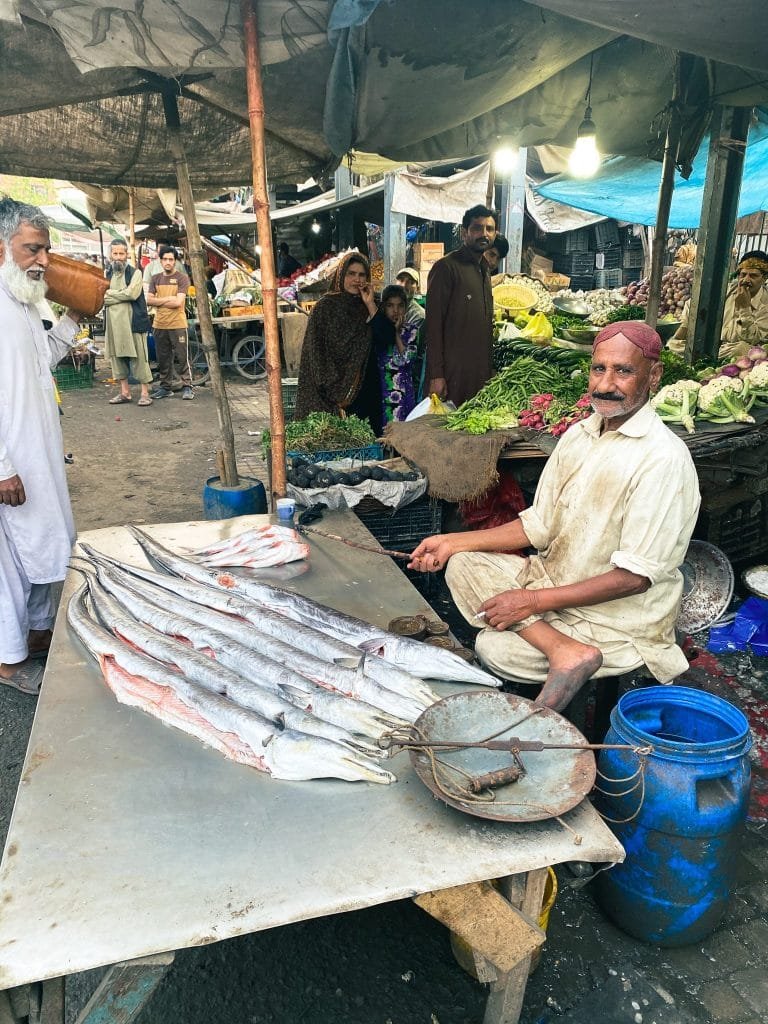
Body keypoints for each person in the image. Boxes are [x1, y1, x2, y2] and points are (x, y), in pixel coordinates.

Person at [410, 321, 700, 712]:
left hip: (617, 618)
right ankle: (562, 648)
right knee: (462, 564)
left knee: (495, 647)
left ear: (655, 375)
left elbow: (634, 577)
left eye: (624, 371)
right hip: (554, 583)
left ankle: (563, 647)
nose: (605, 384)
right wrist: (451, 542)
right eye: (599, 369)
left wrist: (530, 601)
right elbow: (538, 525)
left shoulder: (663, 459)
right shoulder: (579, 435)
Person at [0, 199, 84, 694]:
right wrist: (2, 466)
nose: (44, 261)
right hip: (10, 461)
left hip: (38, 454)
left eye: (46, 250)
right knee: (7, 564)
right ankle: (8, 662)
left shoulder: (25, 300)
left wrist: (72, 318)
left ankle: (32, 638)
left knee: (41, 548)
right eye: (34, 249)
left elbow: (40, 362)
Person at [294, 252, 384, 434]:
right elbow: (315, 350)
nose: (356, 279)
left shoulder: (372, 304)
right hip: (328, 391)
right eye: (351, 274)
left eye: (361, 275)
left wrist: (370, 305)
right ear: (341, 275)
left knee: (364, 444)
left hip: (364, 389)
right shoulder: (325, 307)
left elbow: (385, 338)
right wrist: (331, 385)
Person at [425, 204, 496, 406]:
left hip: (478, 374)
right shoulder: (446, 267)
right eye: (477, 228)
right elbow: (433, 325)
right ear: (465, 232)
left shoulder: (485, 269)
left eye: (489, 229)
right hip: (451, 375)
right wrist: (436, 375)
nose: (484, 234)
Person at [669, 251, 768, 360]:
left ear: (764, 278)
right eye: (743, 274)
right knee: (672, 345)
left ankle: (704, 359)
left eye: (753, 276)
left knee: (742, 349)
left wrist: (744, 309)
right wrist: (679, 335)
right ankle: (703, 357)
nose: (746, 280)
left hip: (734, 349)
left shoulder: (765, 304)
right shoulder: (726, 290)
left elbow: (752, 339)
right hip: (711, 345)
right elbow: (694, 305)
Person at [104, 238, 153, 407]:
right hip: (114, 324)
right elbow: (101, 297)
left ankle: (145, 393)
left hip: (133, 322)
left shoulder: (136, 273)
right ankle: (125, 393)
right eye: (115, 253)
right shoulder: (106, 274)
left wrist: (111, 295)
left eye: (121, 253)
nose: (118, 257)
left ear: (126, 255)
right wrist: (114, 295)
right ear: (111, 254)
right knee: (117, 358)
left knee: (140, 358)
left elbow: (132, 294)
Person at [147, 245, 193, 400]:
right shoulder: (155, 278)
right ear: (160, 261)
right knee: (162, 358)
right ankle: (165, 387)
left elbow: (178, 303)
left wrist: (158, 301)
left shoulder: (182, 278)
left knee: (182, 357)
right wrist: (168, 299)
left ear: (175, 261)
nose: (168, 262)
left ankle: (187, 386)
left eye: (171, 259)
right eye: (165, 259)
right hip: (159, 324)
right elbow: (148, 300)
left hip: (178, 324)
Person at [373, 284, 419, 423]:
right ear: (383, 308)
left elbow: (405, 361)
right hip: (382, 392)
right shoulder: (378, 331)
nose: (395, 311)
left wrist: (396, 334)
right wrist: (389, 331)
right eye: (390, 306)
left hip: (403, 395)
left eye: (400, 306)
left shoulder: (412, 331)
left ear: (405, 308)